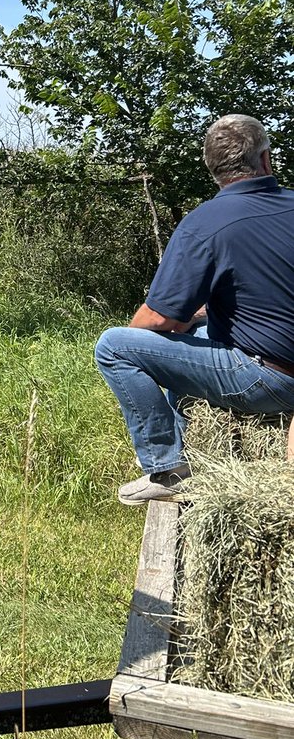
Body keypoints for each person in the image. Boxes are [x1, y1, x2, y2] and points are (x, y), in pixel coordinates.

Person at [95, 114, 294, 505]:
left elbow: (156, 320)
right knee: (195, 330)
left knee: (115, 347)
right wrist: (199, 317)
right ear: (266, 160)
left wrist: (150, 342)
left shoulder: (204, 224)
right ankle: (194, 451)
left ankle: (168, 467)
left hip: (270, 380)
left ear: (213, 170)